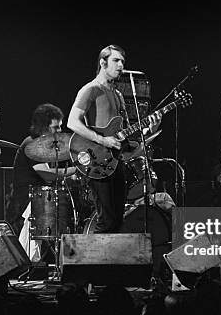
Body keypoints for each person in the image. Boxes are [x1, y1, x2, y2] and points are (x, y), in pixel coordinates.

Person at [67, 44, 160, 233]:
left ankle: (110, 261)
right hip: (96, 161)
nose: (121, 66)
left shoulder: (117, 94)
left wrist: (150, 128)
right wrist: (103, 140)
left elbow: (124, 133)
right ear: (103, 62)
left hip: (115, 162)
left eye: (123, 62)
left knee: (117, 220)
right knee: (106, 220)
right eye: (116, 61)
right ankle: (93, 261)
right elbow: (72, 122)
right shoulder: (91, 89)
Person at [10, 103, 77, 261]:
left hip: (39, 194)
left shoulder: (45, 146)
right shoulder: (31, 145)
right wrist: (76, 170)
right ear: (44, 127)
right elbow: (47, 175)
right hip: (28, 197)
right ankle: (30, 261)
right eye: (56, 127)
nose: (60, 131)